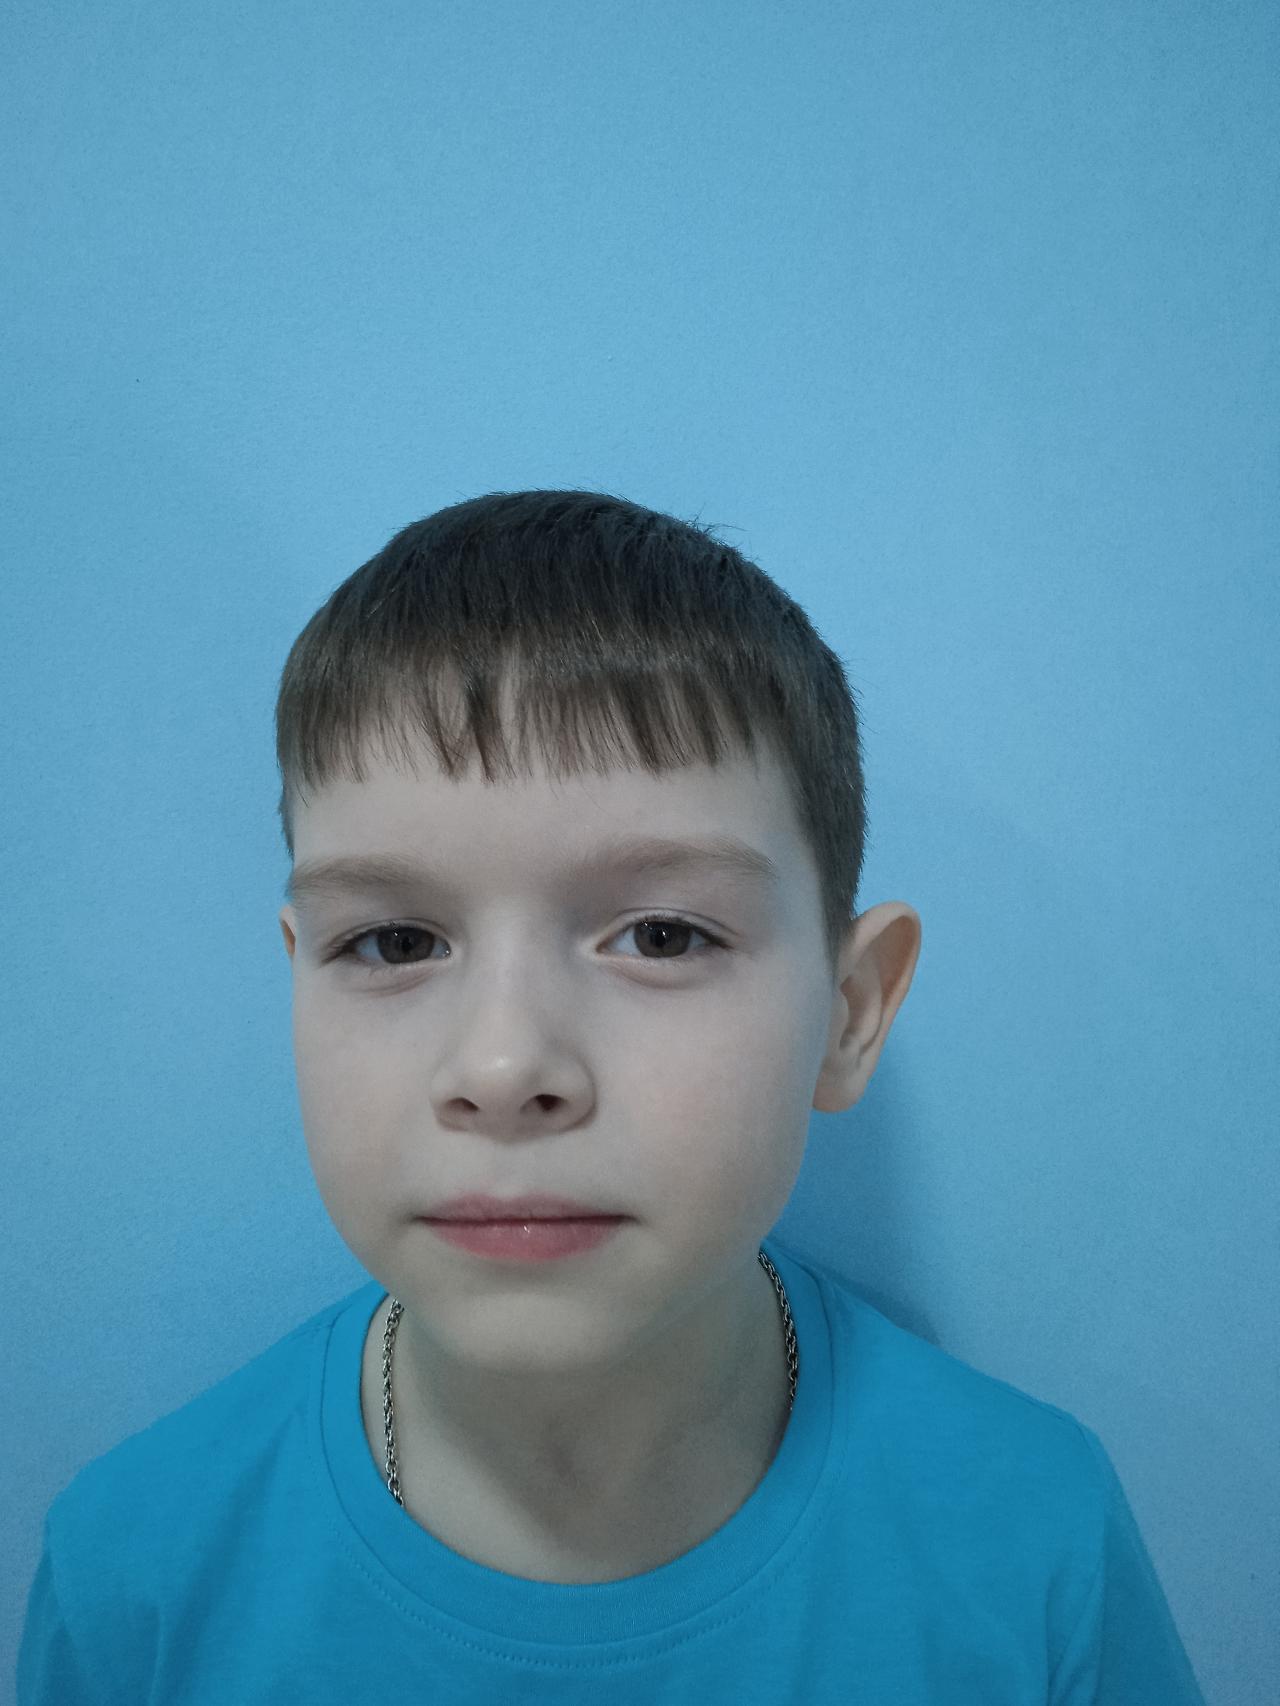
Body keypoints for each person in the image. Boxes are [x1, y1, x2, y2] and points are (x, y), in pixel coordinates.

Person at [17, 490, 1206, 1702]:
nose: (501, 1069)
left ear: (849, 1012)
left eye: (661, 934)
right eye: (392, 942)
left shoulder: (1031, 1544)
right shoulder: (136, 1578)